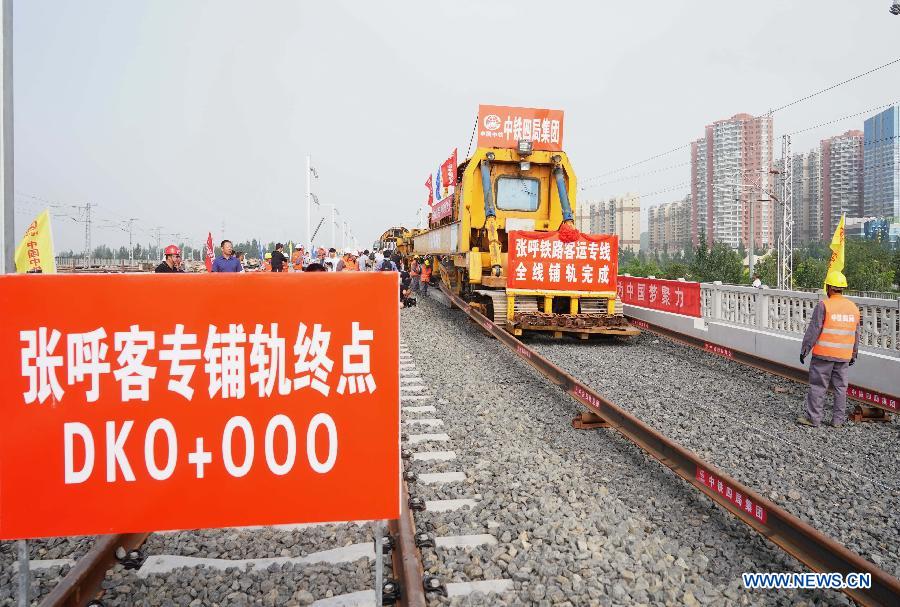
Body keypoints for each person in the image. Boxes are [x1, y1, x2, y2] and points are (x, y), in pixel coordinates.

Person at [797, 271, 860, 428]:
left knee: (818, 387)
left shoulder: (824, 305)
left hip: (823, 356)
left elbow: (814, 329)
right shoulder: (853, 308)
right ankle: (837, 421)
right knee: (841, 389)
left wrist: (805, 349)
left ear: (830, 287)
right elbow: (856, 333)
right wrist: (854, 353)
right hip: (843, 357)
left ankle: (814, 419)